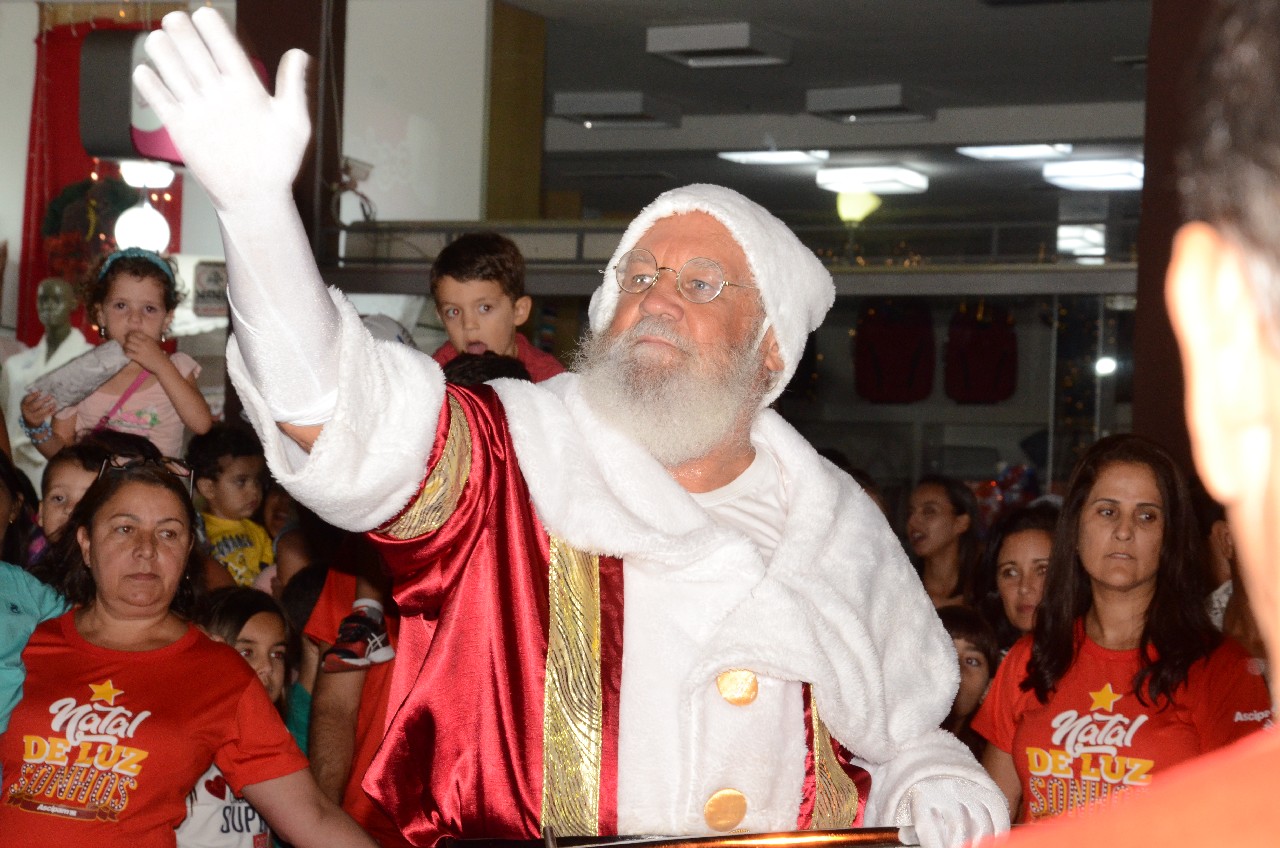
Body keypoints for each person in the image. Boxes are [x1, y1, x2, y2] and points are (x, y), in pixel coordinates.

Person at [134, 10, 1007, 848]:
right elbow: (337, 412)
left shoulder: (843, 532)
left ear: (771, 346)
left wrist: (931, 777)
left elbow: (893, 738)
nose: (657, 298)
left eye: (700, 285)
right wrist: (255, 211)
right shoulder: (514, 456)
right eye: (637, 278)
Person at [0, 458, 377, 848]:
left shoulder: (218, 672)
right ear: (86, 543)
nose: (145, 550)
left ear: (187, 553)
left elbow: (312, 818)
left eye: (168, 534)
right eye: (124, 529)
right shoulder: (26, 639)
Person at [972, 434, 1272, 824]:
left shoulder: (1221, 669)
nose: (1125, 531)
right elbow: (989, 817)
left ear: (1169, 537)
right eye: (1107, 511)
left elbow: (1249, 823)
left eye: (1147, 515)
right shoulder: (1030, 658)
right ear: (1076, 528)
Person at [20, 248, 213, 459]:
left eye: (149, 309)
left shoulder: (177, 367)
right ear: (101, 314)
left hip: (155, 489)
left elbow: (201, 424)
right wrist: (35, 426)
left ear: (167, 319)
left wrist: (160, 365)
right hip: (99, 489)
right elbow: (63, 455)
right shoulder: (80, 374)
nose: (135, 319)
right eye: (121, 305)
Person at [178, 587, 293, 848]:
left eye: (277, 654)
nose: (266, 667)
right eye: (247, 652)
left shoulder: (276, 736)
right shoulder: (181, 734)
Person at [429, 231, 565, 382]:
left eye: (484, 308)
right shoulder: (434, 378)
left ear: (519, 311)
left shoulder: (550, 382)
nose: (468, 325)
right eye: (453, 312)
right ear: (440, 317)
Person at [0, 277, 93, 488]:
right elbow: (4, 417)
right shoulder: (15, 364)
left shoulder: (89, 360)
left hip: (63, 463)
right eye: (43, 299)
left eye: (56, 299)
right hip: (16, 465)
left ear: (73, 303)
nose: (48, 306)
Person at [187, 424, 273, 588]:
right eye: (241, 481)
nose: (254, 490)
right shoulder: (196, 531)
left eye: (257, 480)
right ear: (208, 488)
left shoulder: (259, 533)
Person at [969, 502, 1059, 654]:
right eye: (1010, 572)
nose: (1024, 587)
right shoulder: (984, 663)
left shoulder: (1093, 662)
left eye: (1042, 570)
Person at [906, 474, 983, 607]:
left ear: (961, 523)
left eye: (929, 511)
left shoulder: (986, 592)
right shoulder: (902, 588)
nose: (912, 521)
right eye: (910, 512)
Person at [936, 605, 999, 759]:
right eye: (945, 651)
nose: (956, 666)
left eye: (971, 661)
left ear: (987, 689)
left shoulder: (990, 764)